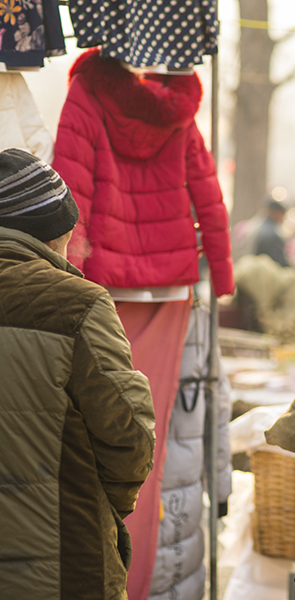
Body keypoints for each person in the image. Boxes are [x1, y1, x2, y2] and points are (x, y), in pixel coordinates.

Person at [0, 149, 155, 599]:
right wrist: (103, 506)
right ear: (53, 235)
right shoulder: (76, 303)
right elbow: (129, 436)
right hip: (64, 563)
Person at [253, 198, 288, 267]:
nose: (283, 217)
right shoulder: (271, 234)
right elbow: (279, 262)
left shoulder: (260, 226)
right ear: (275, 212)